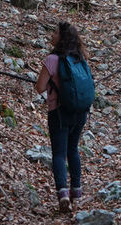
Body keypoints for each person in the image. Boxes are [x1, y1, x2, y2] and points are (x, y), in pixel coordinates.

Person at [34, 21, 90, 213]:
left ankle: (63, 195)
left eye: (55, 32)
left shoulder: (52, 59)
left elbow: (40, 87)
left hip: (58, 112)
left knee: (59, 154)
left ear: (62, 37)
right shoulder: (80, 58)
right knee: (73, 150)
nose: (52, 35)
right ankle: (77, 192)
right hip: (80, 112)